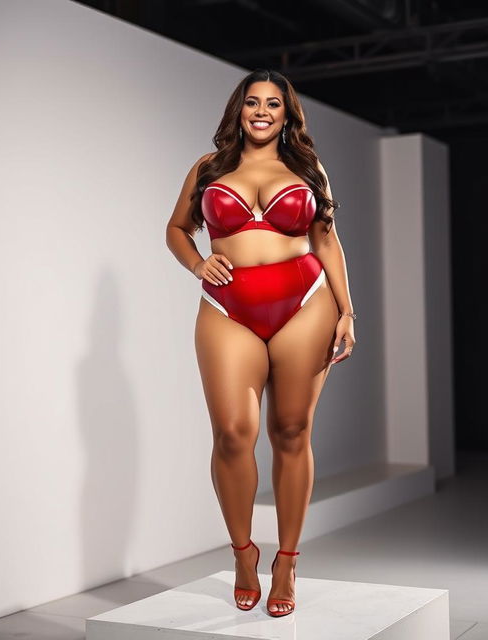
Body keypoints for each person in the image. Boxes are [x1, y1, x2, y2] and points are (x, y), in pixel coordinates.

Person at [165, 68, 356, 617]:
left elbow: (326, 238)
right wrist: (199, 262)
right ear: (239, 109)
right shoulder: (208, 169)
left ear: (287, 113)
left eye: (274, 103)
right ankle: (244, 554)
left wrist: (347, 310)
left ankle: (288, 561)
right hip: (229, 308)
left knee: (291, 430)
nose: (263, 111)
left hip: (306, 305)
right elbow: (176, 228)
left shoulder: (305, 167)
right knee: (232, 433)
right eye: (253, 102)